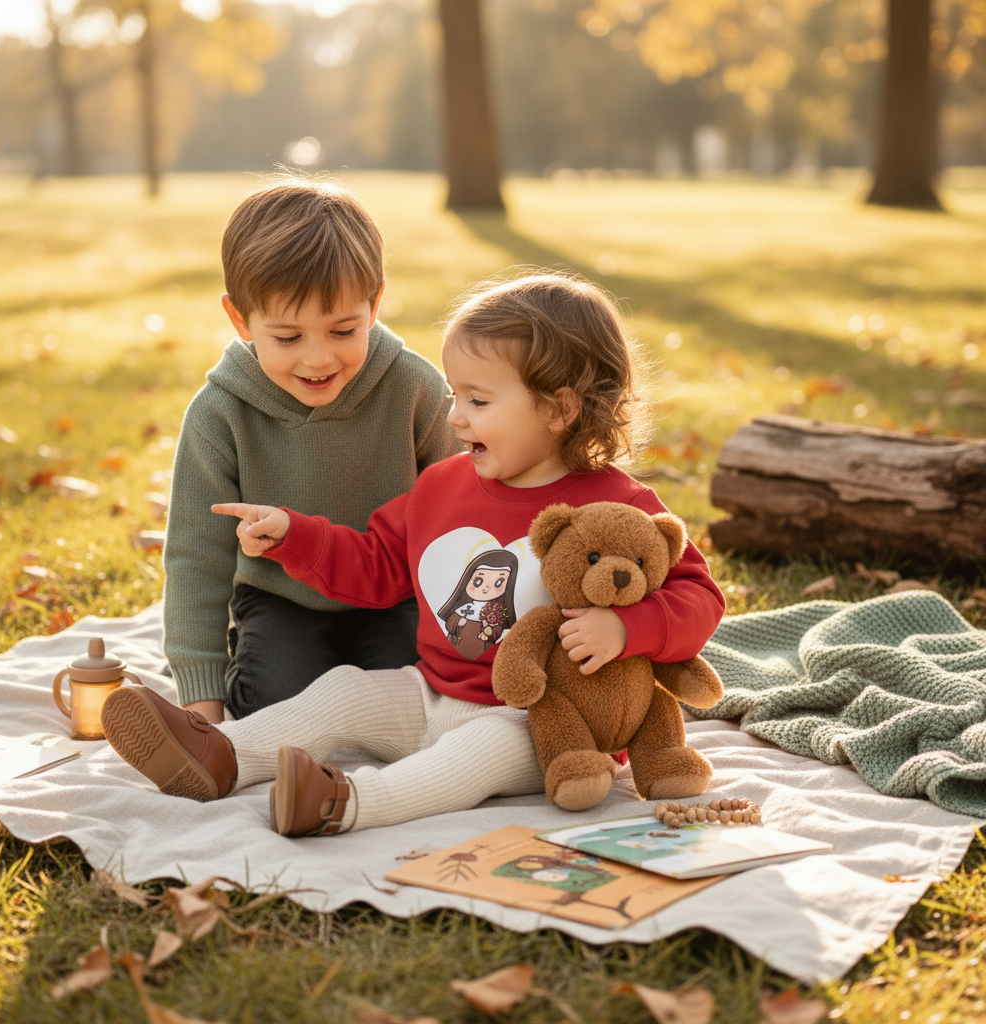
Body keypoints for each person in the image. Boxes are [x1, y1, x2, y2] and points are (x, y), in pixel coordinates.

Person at [103, 272, 725, 836]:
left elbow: (699, 596)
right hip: (430, 692)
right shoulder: (442, 487)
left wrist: (626, 626)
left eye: (478, 402)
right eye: (456, 397)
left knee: (470, 757)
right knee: (343, 692)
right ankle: (222, 754)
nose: (455, 418)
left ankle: (345, 803)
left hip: (539, 722)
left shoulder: (619, 506)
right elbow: (376, 565)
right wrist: (298, 535)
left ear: (560, 408)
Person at [162, 177, 459, 724]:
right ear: (240, 319)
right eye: (288, 338)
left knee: (416, 699)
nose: (318, 359)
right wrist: (200, 700)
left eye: (343, 329)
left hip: (394, 594)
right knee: (276, 705)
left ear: (374, 305)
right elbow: (194, 558)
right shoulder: (218, 414)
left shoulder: (415, 389)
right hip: (283, 600)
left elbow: (466, 509)